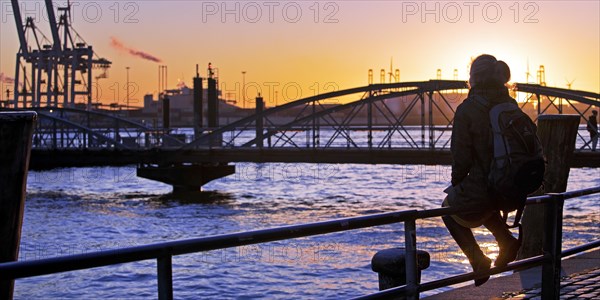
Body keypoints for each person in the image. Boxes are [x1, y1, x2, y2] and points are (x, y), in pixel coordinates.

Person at [442, 54, 521, 287]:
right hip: (515, 184)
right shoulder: (510, 104)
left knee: (449, 208)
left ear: (473, 78)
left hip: (489, 183)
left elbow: (461, 157)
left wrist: (457, 183)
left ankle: (478, 260)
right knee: (484, 201)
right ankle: (506, 241)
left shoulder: (468, 109)